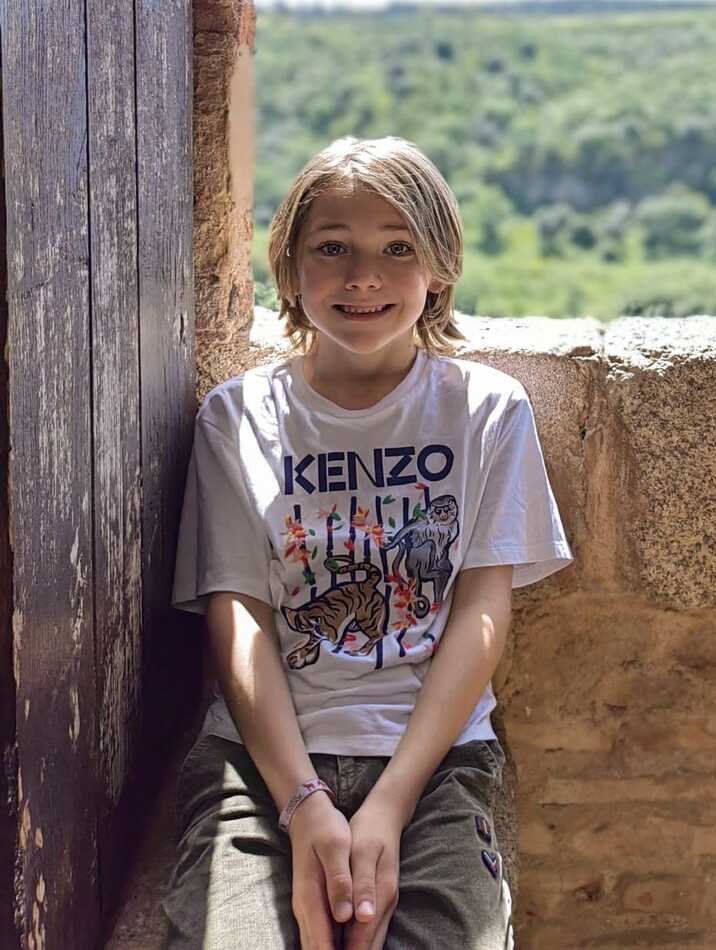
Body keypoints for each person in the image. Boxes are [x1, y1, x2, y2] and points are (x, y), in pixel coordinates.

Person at [161, 136, 573, 950]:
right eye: (332, 248)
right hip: (260, 758)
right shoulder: (236, 418)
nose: (363, 277)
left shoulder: (487, 411)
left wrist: (391, 802)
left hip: (436, 759)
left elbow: (480, 612)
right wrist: (303, 803)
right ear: (289, 266)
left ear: (440, 266)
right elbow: (239, 618)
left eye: (397, 248)